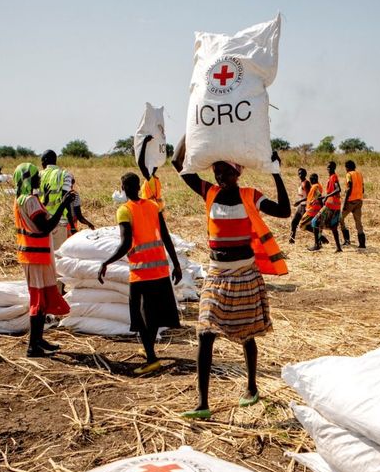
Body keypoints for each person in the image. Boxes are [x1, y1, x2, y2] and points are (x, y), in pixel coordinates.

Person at [172, 140, 290, 420]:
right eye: (217, 172)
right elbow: (179, 165)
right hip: (216, 274)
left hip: (245, 274)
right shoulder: (209, 192)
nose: (220, 177)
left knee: (247, 334)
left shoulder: (251, 195)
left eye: (225, 172)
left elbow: (284, 211)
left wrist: (275, 172)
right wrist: (190, 133)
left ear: (238, 173)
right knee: (204, 333)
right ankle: (202, 402)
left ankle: (251, 387)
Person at [97, 172, 183, 375]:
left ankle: (152, 360)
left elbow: (126, 243)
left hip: (141, 273)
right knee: (152, 315)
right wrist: (176, 264)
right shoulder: (153, 207)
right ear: (138, 187)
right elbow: (166, 236)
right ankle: (148, 349)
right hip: (160, 270)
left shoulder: (124, 211)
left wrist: (106, 262)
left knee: (142, 316)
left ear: (124, 188)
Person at [12, 162, 72, 357]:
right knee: (38, 300)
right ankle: (32, 346)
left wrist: (44, 200)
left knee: (43, 297)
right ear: (28, 179)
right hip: (35, 255)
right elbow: (45, 227)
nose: (39, 178)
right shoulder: (29, 201)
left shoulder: (23, 200)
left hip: (34, 254)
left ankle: (38, 340)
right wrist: (63, 203)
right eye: (36, 176)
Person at [318, 161, 343, 252]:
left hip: (331, 205)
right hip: (336, 205)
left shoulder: (334, 177)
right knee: (333, 226)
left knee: (316, 221)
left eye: (329, 167)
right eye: (327, 167)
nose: (328, 169)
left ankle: (317, 244)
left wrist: (327, 196)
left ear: (333, 168)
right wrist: (325, 196)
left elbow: (338, 189)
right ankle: (338, 247)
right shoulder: (332, 177)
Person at [340, 160, 366, 248]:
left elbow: (349, 188)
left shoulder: (349, 174)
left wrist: (344, 203)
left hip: (350, 201)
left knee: (340, 218)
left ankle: (347, 240)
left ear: (347, 167)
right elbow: (363, 188)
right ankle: (362, 244)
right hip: (359, 200)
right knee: (358, 222)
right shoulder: (359, 174)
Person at [137, 134, 164, 207]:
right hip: (157, 207)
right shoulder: (156, 180)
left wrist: (144, 142)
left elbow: (140, 163)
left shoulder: (150, 179)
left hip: (150, 207)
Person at [288, 167, 310, 244]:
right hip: (301, 206)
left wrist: (299, 201)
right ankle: (291, 240)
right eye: (299, 173)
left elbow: (310, 196)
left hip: (305, 207)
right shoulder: (301, 183)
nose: (300, 175)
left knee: (306, 226)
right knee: (294, 222)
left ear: (305, 174)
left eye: (302, 173)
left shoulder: (306, 183)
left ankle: (322, 238)